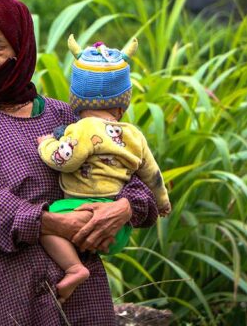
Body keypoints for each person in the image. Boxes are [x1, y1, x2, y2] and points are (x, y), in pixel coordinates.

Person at [0, 0, 160, 325]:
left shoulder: (64, 117)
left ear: (22, 48)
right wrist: (51, 221)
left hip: (76, 303)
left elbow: (128, 174)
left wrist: (121, 209)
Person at [37, 35, 171, 303]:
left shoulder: (83, 128)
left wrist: (47, 144)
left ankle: (75, 268)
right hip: (117, 230)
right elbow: (152, 176)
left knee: (45, 223)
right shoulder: (134, 136)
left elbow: (65, 159)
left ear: (76, 101)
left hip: (80, 215)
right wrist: (162, 202)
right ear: (123, 106)